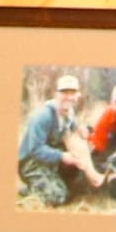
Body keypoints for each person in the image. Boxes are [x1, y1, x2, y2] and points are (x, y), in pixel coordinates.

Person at [18, 73, 99, 207]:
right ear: (56, 94)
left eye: (72, 93)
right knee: (58, 197)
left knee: (79, 183)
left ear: (77, 95)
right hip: (31, 163)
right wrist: (62, 156)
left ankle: (54, 181)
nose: (68, 97)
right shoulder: (43, 117)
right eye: (64, 92)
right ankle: (30, 190)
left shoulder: (69, 112)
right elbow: (36, 149)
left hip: (51, 158)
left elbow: (73, 127)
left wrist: (82, 131)